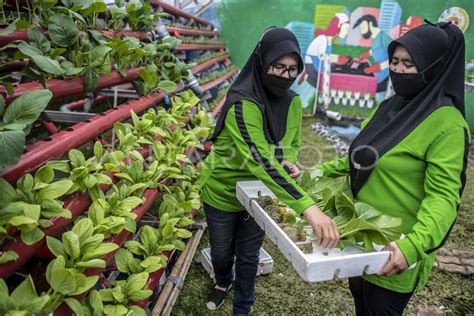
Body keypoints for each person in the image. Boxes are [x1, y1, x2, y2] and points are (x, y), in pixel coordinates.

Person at [317, 21, 468, 315]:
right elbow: (361, 157)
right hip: (360, 236)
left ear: (433, 67)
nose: (399, 70)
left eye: (410, 64)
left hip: (394, 250)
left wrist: (413, 246)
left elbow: (444, 197)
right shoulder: (389, 107)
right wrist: (315, 173)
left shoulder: (447, 124)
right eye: (395, 62)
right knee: (360, 301)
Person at [199, 27, 339, 315]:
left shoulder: (292, 102)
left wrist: (288, 160)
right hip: (223, 193)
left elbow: (292, 142)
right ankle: (223, 281)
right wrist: (308, 207)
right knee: (222, 253)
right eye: (278, 67)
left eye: (292, 69)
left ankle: (243, 305)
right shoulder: (243, 103)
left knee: (248, 255)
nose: (285, 76)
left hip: (261, 194)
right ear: (262, 64)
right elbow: (260, 161)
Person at [353, 15, 393, 100]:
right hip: (378, 76)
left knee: (380, 99)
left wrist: (379, 67)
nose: (361, 31)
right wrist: (367, 53)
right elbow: (378, 51)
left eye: (363, 27)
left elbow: (395, 58)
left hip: (386, 78)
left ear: (370, 24)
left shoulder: (384, 37)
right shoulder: (375, 39)